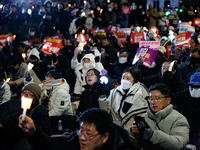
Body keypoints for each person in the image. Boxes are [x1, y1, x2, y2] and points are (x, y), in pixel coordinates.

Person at [18, 108, 139, 150]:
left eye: (88, 134)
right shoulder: (74, 142)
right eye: (81, 131)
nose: (82, 137)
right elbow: (49, 145)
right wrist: (33, 131)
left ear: (105, 137)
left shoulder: (123, 147)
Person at [129, 83, 189, 150]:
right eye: (151, 99)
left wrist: (153, 135)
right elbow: (134, 145)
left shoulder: (179, 119)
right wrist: (132, 133)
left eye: (157, 98)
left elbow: (179, 144)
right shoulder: (144, 117)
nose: (153, 102)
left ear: (168, 100)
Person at [0, 82, 51, 150]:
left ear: (36, 98)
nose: (25, 96)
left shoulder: (40, 111)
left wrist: (34, 130)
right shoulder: (16, 105)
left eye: (30, 94)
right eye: (24, 93)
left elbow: (45, 138)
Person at [170, 72, 200, 149]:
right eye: (191, 86)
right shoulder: (186, 94)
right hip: (185, 129)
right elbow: (170, 98)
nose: (193, 90)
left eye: (197, 87)